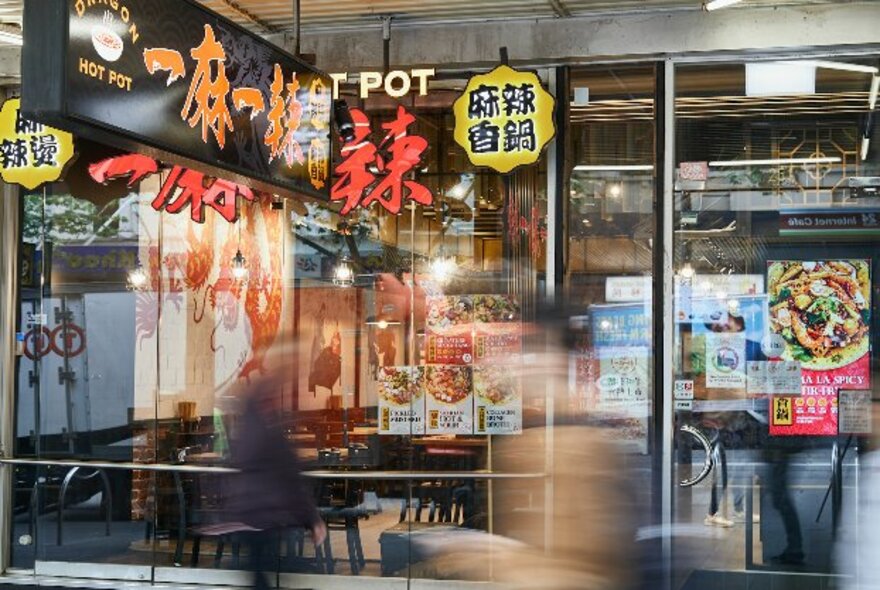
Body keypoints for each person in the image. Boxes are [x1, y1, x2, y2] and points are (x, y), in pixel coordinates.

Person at [226, 368, 327, 589]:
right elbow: (291, 479)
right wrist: (312, 519)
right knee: (265, 575)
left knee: (259, 575)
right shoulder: (270, 435)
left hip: (250, 516)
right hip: (269, 516)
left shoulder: (246, 432)